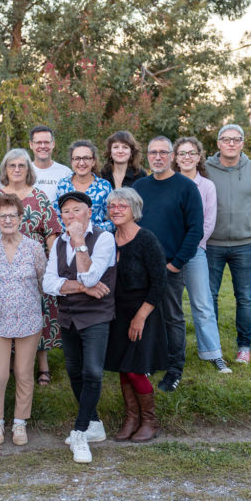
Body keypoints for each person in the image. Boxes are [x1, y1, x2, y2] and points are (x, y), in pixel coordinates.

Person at [0, 149, 62, 387]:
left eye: (21, 165)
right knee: (7, 313)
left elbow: (52, 232)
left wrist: (52, 266)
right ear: (5, 169)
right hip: (3, 263)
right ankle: (12, 364)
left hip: (34, 263)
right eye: (11, 165)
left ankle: (42, 365)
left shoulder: (39, 196)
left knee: (38, 313)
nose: (16, 169)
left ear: (28, 169)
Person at [43, 191, 116, 464]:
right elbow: (48, 283)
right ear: (61, 216)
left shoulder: (104, 238)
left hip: (96, 315)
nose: (71, 215)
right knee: (74, 371)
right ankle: (94, 423)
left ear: (89, 212)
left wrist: (79, 242)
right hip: (69, 316)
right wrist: (83, 288)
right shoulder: (58, 244)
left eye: (77, 210)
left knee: (93, 371)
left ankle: (80, 431)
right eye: (66, 211)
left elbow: (90, 275)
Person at [132, 136, 203, 392]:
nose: (158, 157)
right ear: (147, 156)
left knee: (172, 317)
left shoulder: (186, 187)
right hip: (142, 267)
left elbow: (195, 229)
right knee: (147, 315)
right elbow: (131, 223)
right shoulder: (139, 186)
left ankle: (174, 368)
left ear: (172, 156)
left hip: (170, 266)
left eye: (163, 152)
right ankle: (150, 361)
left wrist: (176, 264)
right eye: (153, 152)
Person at [104, 188, 168, 443]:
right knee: (124, 368)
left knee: (135, 370)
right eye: (112, 206)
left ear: (134, 209)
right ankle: (131, 419)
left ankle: (150, 421)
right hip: (117, 313)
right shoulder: (108, 239)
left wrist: (140, 317)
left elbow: (160, 282)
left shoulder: (146, 239)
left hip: (144, 311)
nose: (116, 210)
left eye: (122, 206)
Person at [0, 194, 47, 447]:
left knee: (23, 372)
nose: (8, 220)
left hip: (28, 319)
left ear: (21, 218)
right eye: (3, 216)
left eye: (13, 215)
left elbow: (43, 281)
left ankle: (20, 422)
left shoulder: (34, 247)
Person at [205, 124, 251, 364]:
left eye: (236, 139)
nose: (231, 143)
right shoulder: (205, 170)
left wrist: (245, 222)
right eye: (226, 139)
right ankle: (212, 346)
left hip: (244, 246)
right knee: (209, 296)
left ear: (243, 143)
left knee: (244, 297)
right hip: (211, 245)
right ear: (218, 143)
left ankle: (244, 346)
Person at [172, 137, 231, 373]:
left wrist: (187, 248)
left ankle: (213, 353)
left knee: (203, 304)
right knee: (166, 305)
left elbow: (208, 223)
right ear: (175, 158)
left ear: (199, 157)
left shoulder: (207, 186)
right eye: (182, 153)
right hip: (169, 253)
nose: (187, 157)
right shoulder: (169, 183)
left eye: (191, 153)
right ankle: (163, 354)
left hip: (194, 252)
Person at [55, 139, 114, 232]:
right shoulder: (63, 185)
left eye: (86, 158)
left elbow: (113, 219)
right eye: (77, 158)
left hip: (96, 237)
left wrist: (90, 231)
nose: (81, 163)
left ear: (93, 161)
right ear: (71, 162)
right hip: (68, 237)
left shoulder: (104, 186)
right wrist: (69, 231)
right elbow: (57, 217)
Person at [28, 125, 72, 203]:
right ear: (31, 144)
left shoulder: (65, 173)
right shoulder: (24, 172)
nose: (43, 146)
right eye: (38, 142)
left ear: (53, 144)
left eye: (46, 142)